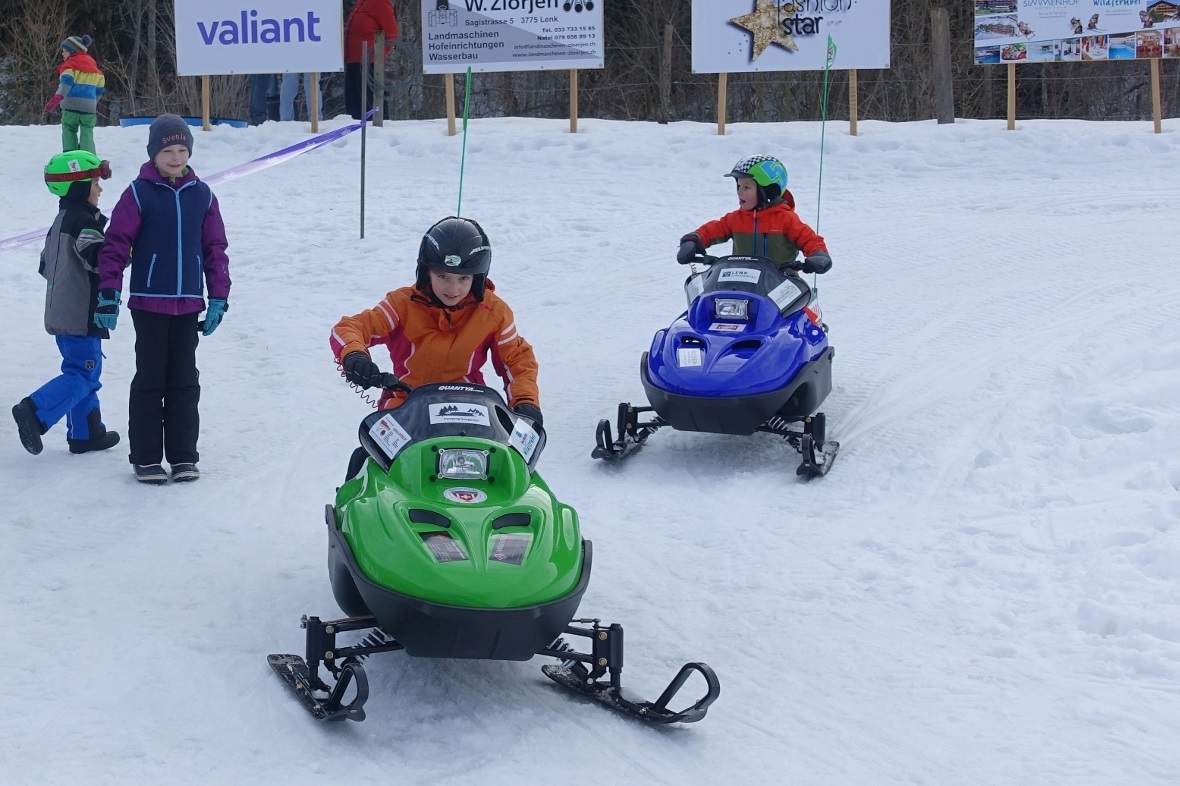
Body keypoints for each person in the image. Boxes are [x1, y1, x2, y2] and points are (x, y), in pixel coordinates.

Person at [329, 217, 541, 478]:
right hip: (405, 405)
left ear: (478, 277)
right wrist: (354, 355)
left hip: (471, 407)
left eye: (463, 278)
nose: (453, 288)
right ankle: (357, 508)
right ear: (425, 271)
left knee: (509, 468)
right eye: (443, 276)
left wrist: (525, 402)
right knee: (373, 460)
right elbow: (350, 327)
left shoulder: (494, 312)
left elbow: (517, 359)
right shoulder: (402, 304)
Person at [95, 115, 232, 485]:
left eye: (182, 150)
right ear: (154, 154)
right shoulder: (138, 193)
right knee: (151, 379)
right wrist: (109, 292)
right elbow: (116, 245)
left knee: (185, 381)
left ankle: (184, 457)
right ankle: (146, 458)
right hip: (149, 303)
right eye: (167, 150)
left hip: (189, 304)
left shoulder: (202, 194)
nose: (175, 157)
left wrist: (219, 295)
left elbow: (215, 247)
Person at [12, 151, 119, 457]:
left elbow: (46, 264)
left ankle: (86, 434)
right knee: (83, 373)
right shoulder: (84, 222)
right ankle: (35, 411)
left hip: (63, 312)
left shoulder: (60, 222)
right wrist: (124, 250)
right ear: (78, 187)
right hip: (79, 315)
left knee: (85, 370)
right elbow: (98, 258)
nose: (100, 189)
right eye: (95, 183)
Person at [677, 155, 833, 275]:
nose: (739, 192)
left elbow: (809, 239)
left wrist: (818, 254)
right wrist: (694, 239)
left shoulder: (785, 219)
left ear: (769, 191)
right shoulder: (736, 219)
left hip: (783, 285)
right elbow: (714, 229)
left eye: (747, 187)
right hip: (743, 283)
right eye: (738, 186)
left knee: (799, 312)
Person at [44, 35, 105, 155]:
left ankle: (70, 156)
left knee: (69, 129)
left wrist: (58, 97)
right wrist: (93, 102)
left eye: (64, 51)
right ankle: (88, 158)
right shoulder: (96, 69)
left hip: (70, 106)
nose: (62, 54)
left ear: (72, 51)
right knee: (87, 132)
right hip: (89, 108)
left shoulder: (69, 66)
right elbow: (100, 89)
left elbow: (66, 82)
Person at [344, 0, 399, 119]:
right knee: (354, 105)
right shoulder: (360, 3)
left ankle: (375, 132)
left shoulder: (380, 3)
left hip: (370, 63)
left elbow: (392, 34)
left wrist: (378, 54)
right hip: (353, 61)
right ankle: (357, 132)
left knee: (370, 103)